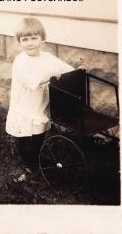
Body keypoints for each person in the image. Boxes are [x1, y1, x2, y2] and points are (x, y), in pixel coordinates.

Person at [6, 17, 74, 171]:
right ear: (19, 41)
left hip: (39, 103)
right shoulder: (20, 61)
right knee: (22, 134)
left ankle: (35, 157)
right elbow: (32, 82)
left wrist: (76, 70)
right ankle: (27, 162)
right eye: (25, 39)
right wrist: (52, 76)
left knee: (39, 131)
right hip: (24, 104)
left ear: (42, 39)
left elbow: (63, 68)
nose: (30, 43)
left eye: (34, 38)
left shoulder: (47, 58)